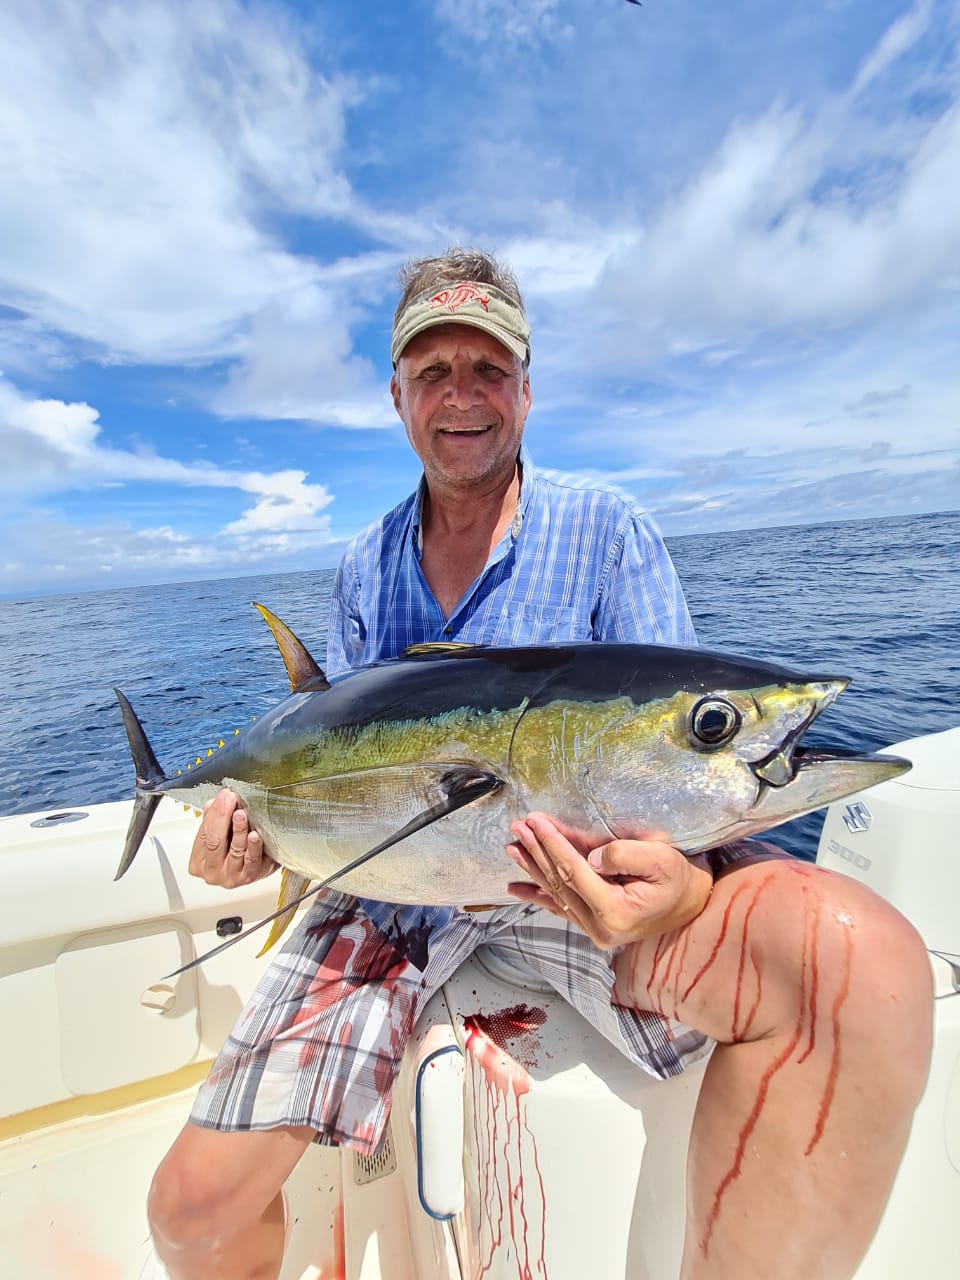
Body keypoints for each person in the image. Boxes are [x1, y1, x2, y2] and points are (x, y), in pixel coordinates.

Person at [145, 248, 933, 1280]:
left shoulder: (608, 534)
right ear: (397, 395)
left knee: (857, 969)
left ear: (526, 387)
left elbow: (667, 784)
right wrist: (264, 840)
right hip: (394, 895)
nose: (462, 395)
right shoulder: (365, 566)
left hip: (588, 895)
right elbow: (331, 771)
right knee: (192, 1213)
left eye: (490, 369)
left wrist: (683, 885)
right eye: (434, 372)